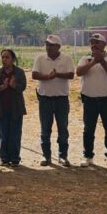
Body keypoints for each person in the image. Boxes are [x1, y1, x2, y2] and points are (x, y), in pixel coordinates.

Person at [76, 33, 107, 168]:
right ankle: (88, 156)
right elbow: (79, 72)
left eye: (97, 42)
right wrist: (94, 61)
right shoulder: (85, 58)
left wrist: (102, 61)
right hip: (89, 100)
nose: (94, 45)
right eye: (92, 43)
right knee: (88, 130)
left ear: (104, 44)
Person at [32, 35, 74, 167]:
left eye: (51, 45)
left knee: (63, 129)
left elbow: (71, 74)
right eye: (47, 45)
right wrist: (48, 77)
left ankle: (63, 156)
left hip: (61, 99)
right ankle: (46, 156)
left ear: (58, 47)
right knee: (45, 129)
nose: (48, 47)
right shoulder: (40, 58)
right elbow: (34, 74)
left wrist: (57, 74)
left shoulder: (66, 58)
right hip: (45, 99)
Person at [0, 49, 27, 167]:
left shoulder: (19, 72)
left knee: (15, 134)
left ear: (13, 59)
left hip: (16, 108)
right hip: (2, 108)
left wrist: (14, 85)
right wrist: (1, 87)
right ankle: (4, 158)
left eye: (7, 57)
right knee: (3, 134)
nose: (4, 60)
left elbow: (23, 87)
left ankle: (15, 158)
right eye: (3, 57)